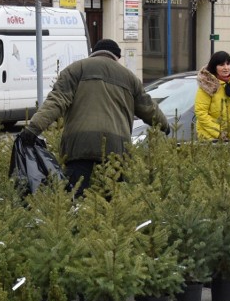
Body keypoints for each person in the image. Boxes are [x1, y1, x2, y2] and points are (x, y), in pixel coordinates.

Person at [18, 38, 169, 194]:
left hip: (80, 147)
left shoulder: (75, 70)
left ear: (93, 54)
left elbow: (56, 101)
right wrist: (166, 126)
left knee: (77, 200)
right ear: (116, 57)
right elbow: (149, 109)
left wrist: (33, 129)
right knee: (112, 205)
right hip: (116, 149)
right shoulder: (130, 78)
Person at [194, 51, 230, 141]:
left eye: (228, 64)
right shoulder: (207, 84)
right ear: (214, 67)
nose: (226, 68)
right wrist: (219, 132)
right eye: (221, 65)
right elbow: (201, 113)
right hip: (209, 138)